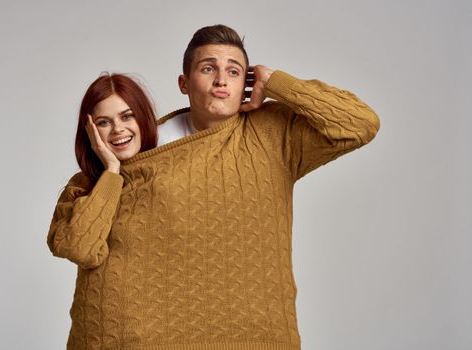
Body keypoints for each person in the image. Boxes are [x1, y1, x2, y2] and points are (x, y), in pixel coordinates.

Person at [49, 25, 380, 350]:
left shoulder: (275, 135)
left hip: (251, 335)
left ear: (245, 82)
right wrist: (110, 172)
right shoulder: (138, 151)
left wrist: (275, 82)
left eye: (235, 71)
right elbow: (81, 247)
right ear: (184, 83)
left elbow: (359, 124)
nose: (222, 80)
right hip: (130, 336)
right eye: (208, 68)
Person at [46, 72, 157, 324]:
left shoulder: (171, 176)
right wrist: (111, 171)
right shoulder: (80, 187)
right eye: (104, 122)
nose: (118, 129)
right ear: (90, 130)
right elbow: (81, 249)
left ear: (143, 117)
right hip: (98, 333)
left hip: (156, 331)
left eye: (127, 116)